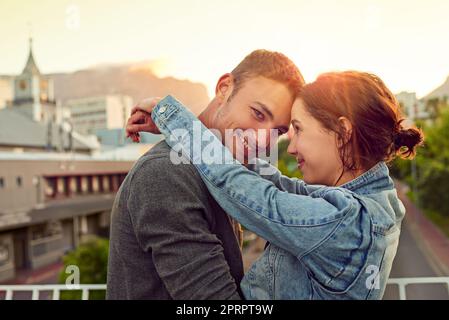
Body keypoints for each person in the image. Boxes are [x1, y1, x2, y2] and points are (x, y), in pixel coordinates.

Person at [126, 71, 424, 299]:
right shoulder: (374, 206)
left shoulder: (343, 221)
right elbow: (278, 184)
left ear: (343, 132)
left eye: (296, 129)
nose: (290, 147)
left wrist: (174, 119)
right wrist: (210, 137)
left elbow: (253, 194)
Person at [106, 49, 305, 299]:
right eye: (258, 114)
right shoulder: (165, 175)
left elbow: (292, 196)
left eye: (277, 130)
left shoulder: (224, 171)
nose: (263, 139)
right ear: (224, 88)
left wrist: (173, 120)